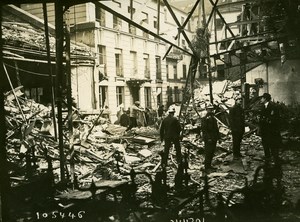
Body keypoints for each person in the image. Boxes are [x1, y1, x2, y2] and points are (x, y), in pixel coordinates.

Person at [259, 93, 282, 165]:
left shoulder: (273, 107)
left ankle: (275, 159)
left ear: (265, 99)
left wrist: (266, 120)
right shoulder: (263, 107)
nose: (261, 99)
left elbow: (275, 119)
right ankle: (267, 157)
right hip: (264, 130)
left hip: (271, 130)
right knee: (265, 143)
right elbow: (262, 118)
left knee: (272, 144)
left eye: (262, 98)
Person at [201, 105, 220, 172]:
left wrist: (219, 137)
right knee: (208, 152)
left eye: (212, 109)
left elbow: (216, 129)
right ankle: (207, 167)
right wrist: (208, 138)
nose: (211, 111)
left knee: (212, 152)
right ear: (207, 110)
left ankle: (209, 165)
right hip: (208, 138)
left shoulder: (213, 118)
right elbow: (204, 130)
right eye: (209, 109)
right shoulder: (204, 119)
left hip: (214, 138)